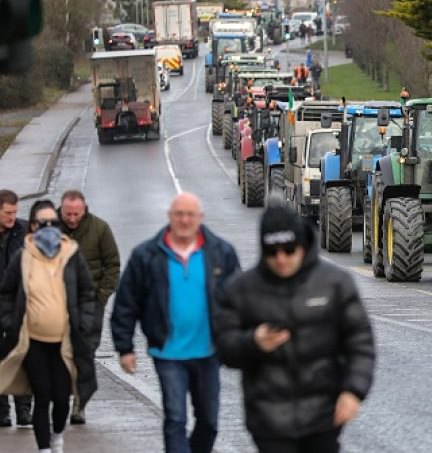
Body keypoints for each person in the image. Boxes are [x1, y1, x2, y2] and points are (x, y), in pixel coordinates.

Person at [215, 201, 375, 453]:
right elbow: (223, 346)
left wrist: (353, 391)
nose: (281, 259)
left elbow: (360, 343)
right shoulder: (241, 289)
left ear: (302, 244)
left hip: (323, 416)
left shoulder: (334, 283)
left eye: (289, 249)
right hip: (269, 420)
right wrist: (253, 343)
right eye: (272, 251)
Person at [111, 193, 240, 453]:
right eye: (179, 214)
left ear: (200, 218)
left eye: (190, 215)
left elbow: (239, 301)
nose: (184, 220)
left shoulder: (221, 253)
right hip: (168, 352)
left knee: (209, 422)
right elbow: (126, 303)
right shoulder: (146, 255)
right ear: (169, 216)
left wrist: (241, 341)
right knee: (175, 418)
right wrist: (125, 348)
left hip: (208, 352)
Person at [0, 199, 97, 453]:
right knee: (42, 394)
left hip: (64, 340)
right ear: (33, 226)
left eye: (53, 222)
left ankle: (57, 436)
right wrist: (10, 322)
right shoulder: (23, 256)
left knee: (62, 396)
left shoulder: (71, 255)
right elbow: (7, 293)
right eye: (42, 223)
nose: (48, 227)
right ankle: (44, 448)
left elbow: (87, 292)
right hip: (32, 339)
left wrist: (84, 323)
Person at [58, 189, 120, 424]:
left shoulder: (100, 229)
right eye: (68, 214)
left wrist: (101, 297)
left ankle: (79, 404)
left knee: (84, 354)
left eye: (76, 214)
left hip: (89, 305)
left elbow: (112, 264)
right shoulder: (50, 228)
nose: (72, 219)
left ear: (85, 210)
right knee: (60, 354)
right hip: (57, 303)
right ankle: (62, 398)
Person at [0, 190, 32, 428]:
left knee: (22, 359)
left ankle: (24, 411)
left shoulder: (25, 232)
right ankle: (2, 413)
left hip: (20, 306)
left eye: (15, 212)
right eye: (7, 212)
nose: (12, 216)